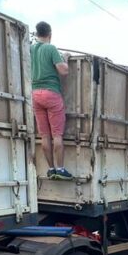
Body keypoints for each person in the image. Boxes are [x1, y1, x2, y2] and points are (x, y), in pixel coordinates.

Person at [31, 21, 72, 180]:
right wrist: (65, 58)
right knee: (57, 135)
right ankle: (61, 169)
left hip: (35, 94)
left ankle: (51, 169)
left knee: (44, 136)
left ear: (36, 34)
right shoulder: (51, 48)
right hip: (51, 94)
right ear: (50, 34)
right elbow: (64, 71)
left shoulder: (30, 49)